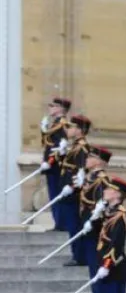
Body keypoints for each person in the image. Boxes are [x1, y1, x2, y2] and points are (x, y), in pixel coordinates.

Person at [77, 146, 114, 293]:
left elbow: (102, 205)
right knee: (92, 260)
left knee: (95, 260)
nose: (86, 159)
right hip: (87, 222)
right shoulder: (90, 177)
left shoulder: (101, 179)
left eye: (90, 157)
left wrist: (92, 222)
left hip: (95, 225)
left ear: (99, 161)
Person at [56, 113, 92, 268]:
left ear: (79, 130)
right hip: (68, 190)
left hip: (73, 193)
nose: (67, 129)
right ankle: (77, 254)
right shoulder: (75, 146)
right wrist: (62, 153)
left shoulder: (82, 147)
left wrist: (72, 186)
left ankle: (79, 256)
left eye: (71, 127)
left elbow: (82, 172)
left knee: (74, 225)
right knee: (72, 224)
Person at [39, 97, 72, 232]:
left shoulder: (62, 124)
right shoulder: (55, 124)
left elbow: (60, 148)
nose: (50, 108)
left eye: (52, 106)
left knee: (57, 194)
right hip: (52, 165)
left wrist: (50, 162)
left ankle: (61, 223)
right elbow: (47, 143)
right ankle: (59, 222)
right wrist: (43, 129)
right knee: (54, 194)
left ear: (60, 109)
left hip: (57, 165)